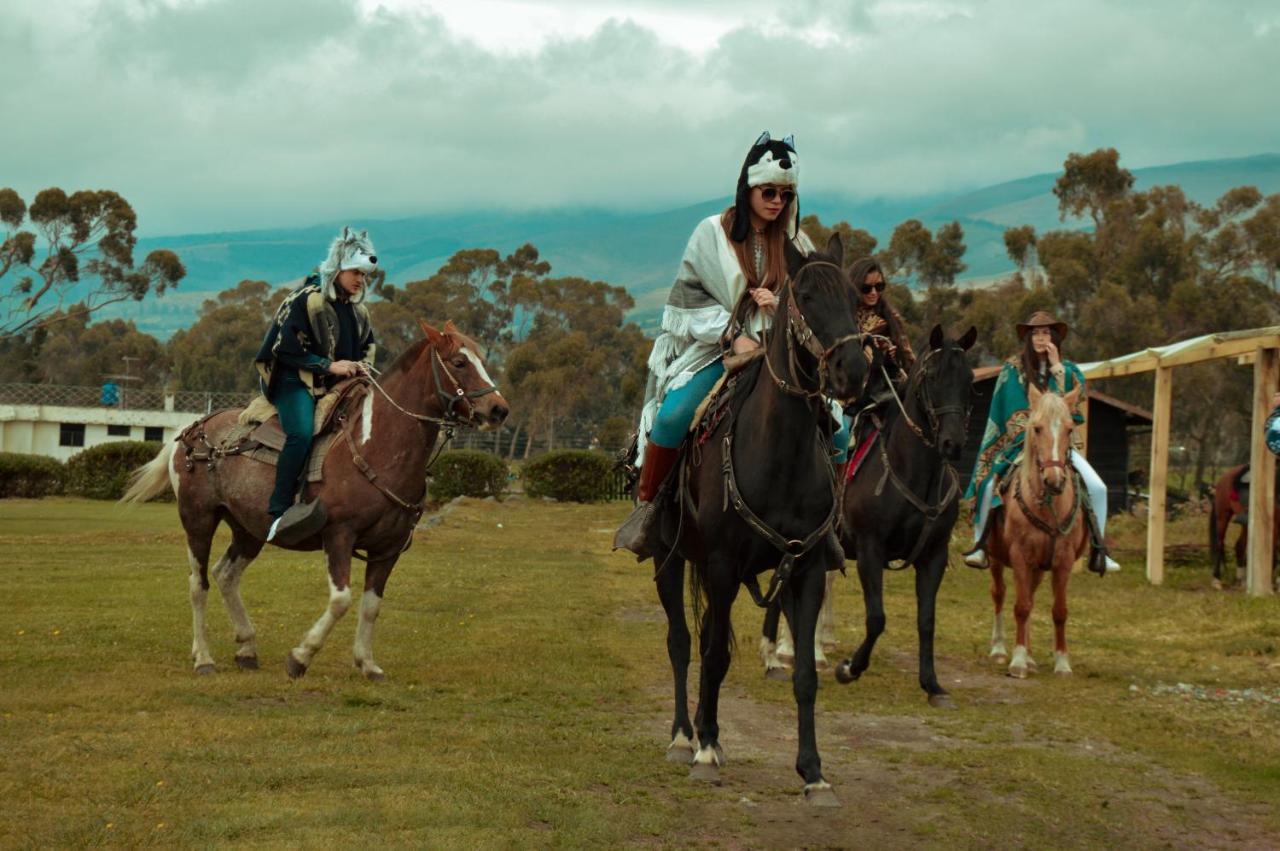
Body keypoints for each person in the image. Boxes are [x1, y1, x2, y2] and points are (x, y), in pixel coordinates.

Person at [614, 131, 848, 557]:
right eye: (769, 191)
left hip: (784, 354)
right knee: (672, 418)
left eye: (785, 193)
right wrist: (733, 335)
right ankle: (648, 512)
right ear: (748, 189)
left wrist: (778, 308)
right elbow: (687, 300)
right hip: (718, 348)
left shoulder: (798, 241)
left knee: (840, 428)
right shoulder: (710, 234)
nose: (777, 201)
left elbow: (812, 305)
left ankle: (830, 523)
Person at [963, 310, 1118, 574]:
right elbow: (1001, 410)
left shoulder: (1069, 370)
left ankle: (1099, 550)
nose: (1041, 338)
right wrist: (1022, 432)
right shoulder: (1011, 370)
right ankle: (980, 545)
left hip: (1058, 448)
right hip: (1018, 446)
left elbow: (1075, 404)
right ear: (1028, 338)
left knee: (1099, 488)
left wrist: (1057, 369)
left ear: (1055, 337)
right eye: (1035, 333)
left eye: (1046, 332)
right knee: (988, 485)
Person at [254, 227, 379, 543]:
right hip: (291, 379)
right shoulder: (305, 300)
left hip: (336, 385)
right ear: (336, 268)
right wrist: (329, 365)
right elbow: (285, 349)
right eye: (355, 272)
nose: (360, 280)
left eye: (364, 275)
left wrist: (362, 365)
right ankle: (279, 509)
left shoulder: (358, 311)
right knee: (300, 432)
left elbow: (368, 346)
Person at [835, 258, 916, 468]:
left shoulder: (890, 318)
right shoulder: (843, 318)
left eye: (879, 286)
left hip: (885, 389)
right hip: (847, 395)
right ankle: (836, 479)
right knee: (840, 433)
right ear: (854, 287)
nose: (874, 292)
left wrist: (892, 355)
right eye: (866, 287)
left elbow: (908, 358)